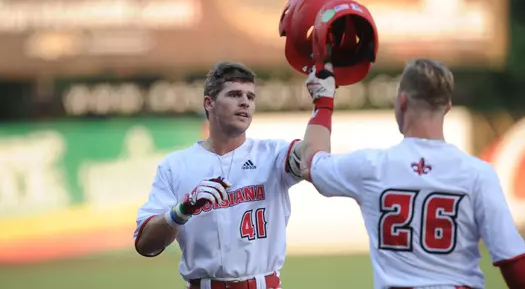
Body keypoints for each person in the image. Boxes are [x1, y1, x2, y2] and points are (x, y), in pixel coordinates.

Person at [293, 58, 525, 289]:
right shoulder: (478, 175)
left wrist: (323, 102)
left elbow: (309, 161)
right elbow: (513, 262)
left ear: (402, 101)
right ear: (447, 106)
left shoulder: (372, 166)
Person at [133, 61, 303, 289]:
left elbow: (313, 156)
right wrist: (181, 211)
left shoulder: (273, 154)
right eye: (234, 94)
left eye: (250, 97)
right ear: (209, 102)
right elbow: (145, 245)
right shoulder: (175, 166)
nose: (245, 102)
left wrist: (323, 104)